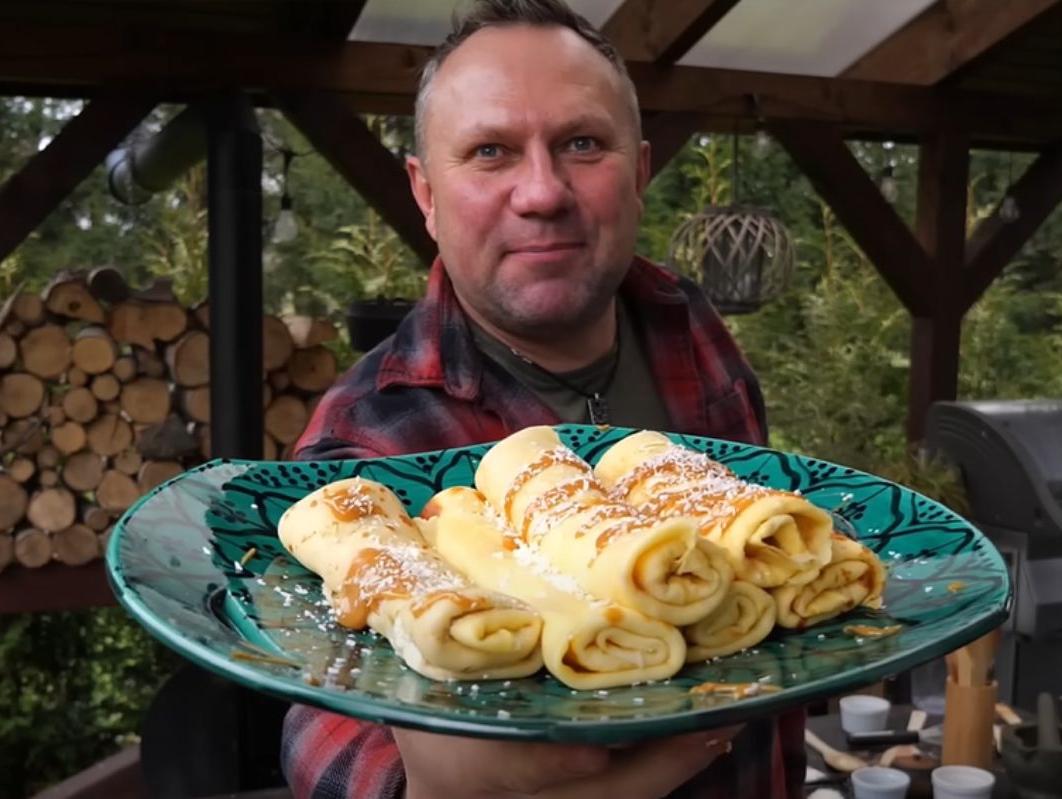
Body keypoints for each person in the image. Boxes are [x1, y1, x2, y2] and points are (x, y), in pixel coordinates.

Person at [282, 1, 807, 797]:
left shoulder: (688, 323)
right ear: (425, 194)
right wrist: (413, 784)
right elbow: (317, 711)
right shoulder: (368, 433)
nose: (542, 192)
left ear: (638, 169)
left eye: (582, 144)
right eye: (490, 151)